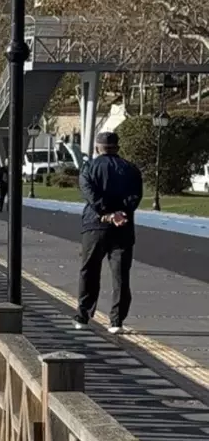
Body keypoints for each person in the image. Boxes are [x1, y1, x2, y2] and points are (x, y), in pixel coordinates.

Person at [74, 131, 143, 334]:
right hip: (123, 227)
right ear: (117, 148)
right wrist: (120, 213)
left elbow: (89, 194)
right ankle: (116, 321)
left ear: (97, 148)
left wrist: (107, 213)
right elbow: (135, 196)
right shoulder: (131, 169)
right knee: (121, 274)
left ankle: (83, 316)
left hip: (94, 225)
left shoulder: (89, 168)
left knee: (89, 270)